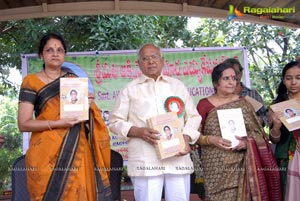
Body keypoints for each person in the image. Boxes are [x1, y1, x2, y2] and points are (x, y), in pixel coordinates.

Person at [17, 33, 112, 201]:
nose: (55, 53)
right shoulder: (31, 82)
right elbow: (24, 124)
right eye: (50, 50)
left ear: (64, 54)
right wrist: (58, 123)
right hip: (45, 153)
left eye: (60, 50)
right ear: (41, 55)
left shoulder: (73, 81)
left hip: (78, 150)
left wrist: (89, 107)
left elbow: (86, 120)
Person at [109, 44, 201, 201]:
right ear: (138, 63)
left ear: (163, 61)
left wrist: (185, 137)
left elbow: (193, 117)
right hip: (146, 161)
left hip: (177, 159)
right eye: (145, 58)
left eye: (154, 57)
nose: (150, 61)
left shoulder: (177, 86)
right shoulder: (129, 89)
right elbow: (114, 122)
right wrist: (138, 131)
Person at [196, 62, 281, 200]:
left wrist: (248, 143)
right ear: (216, 82)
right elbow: (195, 136)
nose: (231, 82)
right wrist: (210, 139)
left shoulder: (244, 103)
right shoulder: (204, 105)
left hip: (242, 165)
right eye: (226, 78)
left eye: (234, 78)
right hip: (214, 168)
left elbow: (258, 134)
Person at [269, 61, 300, 199]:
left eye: (298, 78)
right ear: (283, 80)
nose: (293, 82)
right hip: (286, 159)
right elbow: (274, 139)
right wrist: (276, 126)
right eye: (289, 78)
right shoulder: (278, 105)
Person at [223, 58, 268, 126]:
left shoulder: (252, 94)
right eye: (228, 75)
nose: (233, 77)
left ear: (241, 74)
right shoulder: (219, 96)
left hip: (252, 134)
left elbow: (265, 114)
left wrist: (259, 120)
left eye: (236, 73)